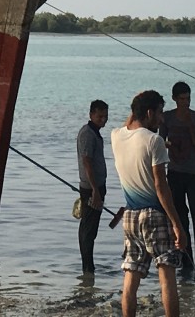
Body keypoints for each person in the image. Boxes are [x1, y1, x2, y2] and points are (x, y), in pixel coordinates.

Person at [112, 89, 188, 317]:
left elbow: (129, 122)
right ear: (148, 113)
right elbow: (161, 187)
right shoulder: (154, 141)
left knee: (131, 278)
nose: (162, 118)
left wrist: (135, 101)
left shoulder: (116, 135)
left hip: (130, 216)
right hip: (153, 215)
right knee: (167, 277)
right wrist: (177, 224)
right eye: (160, 113)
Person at [158, 80, 195, 277]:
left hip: (194, 174)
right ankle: (185, 261)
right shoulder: (167, 118)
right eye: (182, 99)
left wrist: (190, 127)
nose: (186, 103)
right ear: (174, 99)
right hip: (174, 173)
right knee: (179, 219)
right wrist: (169, 145)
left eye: (188, 99)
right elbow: (160, 144)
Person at [75, 99, 109, 275]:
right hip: (91, 188)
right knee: (88, 229)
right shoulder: (87, 133)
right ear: (91, 115)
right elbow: (86, 161)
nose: (103, 119)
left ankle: (88, 267)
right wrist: (95, 190)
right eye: (99, 116)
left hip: (96, 187)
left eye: (105, 116)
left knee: (90, 228)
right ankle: (87, 268)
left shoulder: (95, 133)